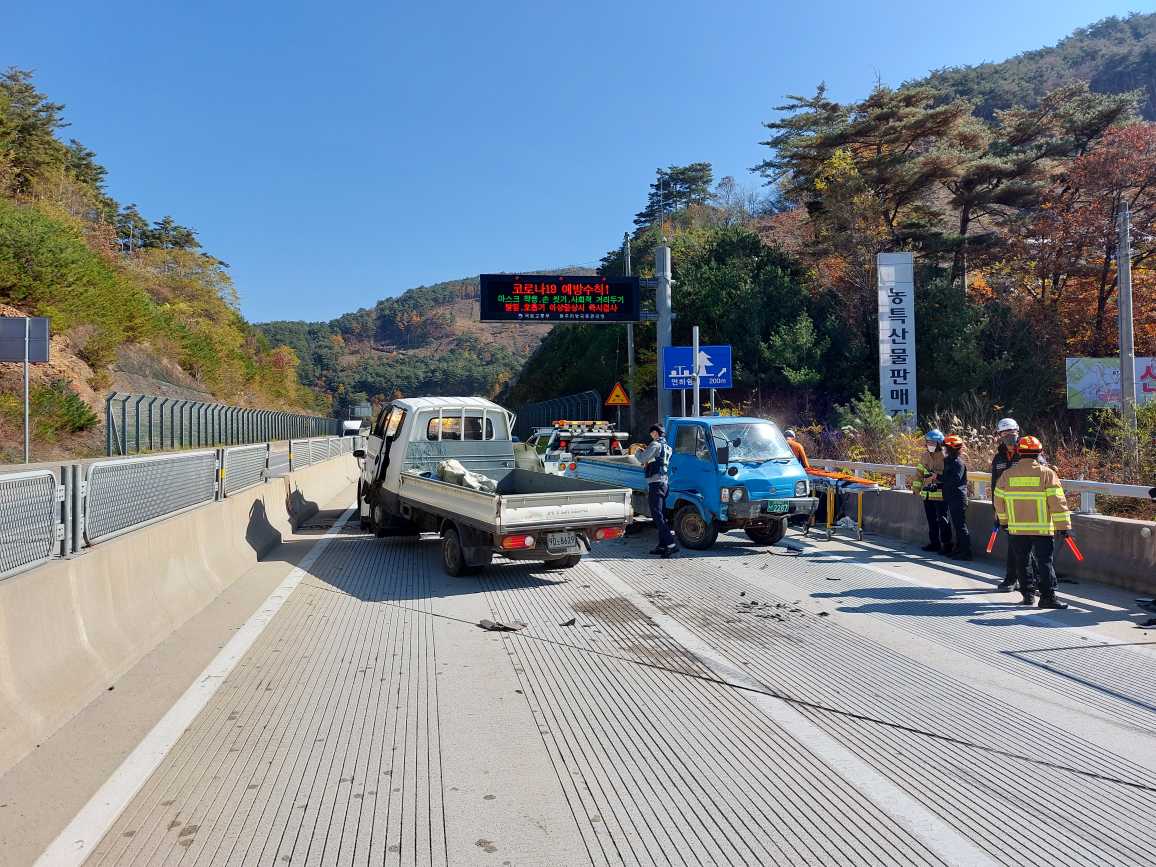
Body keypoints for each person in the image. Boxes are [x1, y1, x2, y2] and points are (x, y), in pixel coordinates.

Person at [993, 435, 1071, 609]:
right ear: (1039, 452)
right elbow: (1057, 502)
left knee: (1022, 561)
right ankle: (1047, 598)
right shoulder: (1047, 474)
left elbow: (998, 500)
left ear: (1019, 452)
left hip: (1016, 528)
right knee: (1044, 562)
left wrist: (1004, 522)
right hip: (1042, 529)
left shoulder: (1008, 475)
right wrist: (1063, 526)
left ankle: (1028, 595)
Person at [637, 423, 676, 557]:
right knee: (662, 515)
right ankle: (662, 545)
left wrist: (638, 451)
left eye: (652, 433)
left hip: (656, 483)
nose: (651, 436)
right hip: (664, 483)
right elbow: (657, 460)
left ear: (655, 433)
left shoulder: (655, 444)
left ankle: (671, 544)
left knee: (657, 516)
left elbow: (642, 458)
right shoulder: (668, 447)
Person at [990, 418, 1021, 590]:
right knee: (1014, 544)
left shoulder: (1028, 452)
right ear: (1000, 435)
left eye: (1011, 432)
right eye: (1005, 433)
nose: (1009, 436)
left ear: (1018, 432)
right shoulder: (998, 458)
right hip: (1007, 509)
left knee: (1025, 546)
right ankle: (1013, 579)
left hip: (1027, 507)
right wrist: (995, 508)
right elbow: (994, 485)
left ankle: (1028, 580)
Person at [913, 429, 952, 553]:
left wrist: (938, 476)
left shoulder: (946, 455)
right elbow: (919, 472)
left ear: (939, 443)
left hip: (941, 493)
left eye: (932, 442)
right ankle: (934, 543)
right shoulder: (925, 455)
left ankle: (947, 545)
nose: (929, 444)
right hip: (927, 492)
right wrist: (916, 488)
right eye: (928, 442)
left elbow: (950, 474)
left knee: (943, 519)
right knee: (931, 519)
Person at [941, 434, 972, 559]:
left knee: (960, 526)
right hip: (951, 497)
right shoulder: (949, 461)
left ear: (951, 448)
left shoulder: (958, 463)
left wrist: (939, 478)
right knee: (957, 526)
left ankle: (966, 552)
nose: (945, 449)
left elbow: (954, 480)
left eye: (946, 447)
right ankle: (959, 549)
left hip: (958, 498)